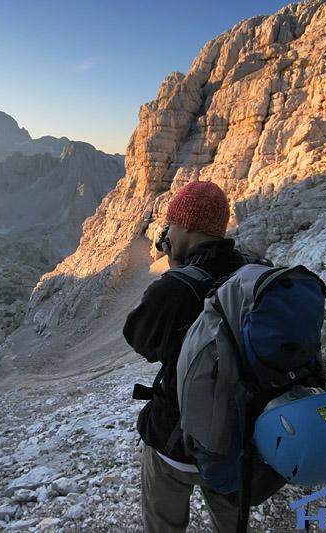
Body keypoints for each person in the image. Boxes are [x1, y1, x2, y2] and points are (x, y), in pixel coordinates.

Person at [123, 180, 261, 532]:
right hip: (239, 441)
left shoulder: (175, 287)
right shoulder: (254, 272)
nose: (167, 233)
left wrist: (175, 272)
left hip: (176, 443)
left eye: (171, 225)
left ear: (185, 226)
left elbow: (139, 339)